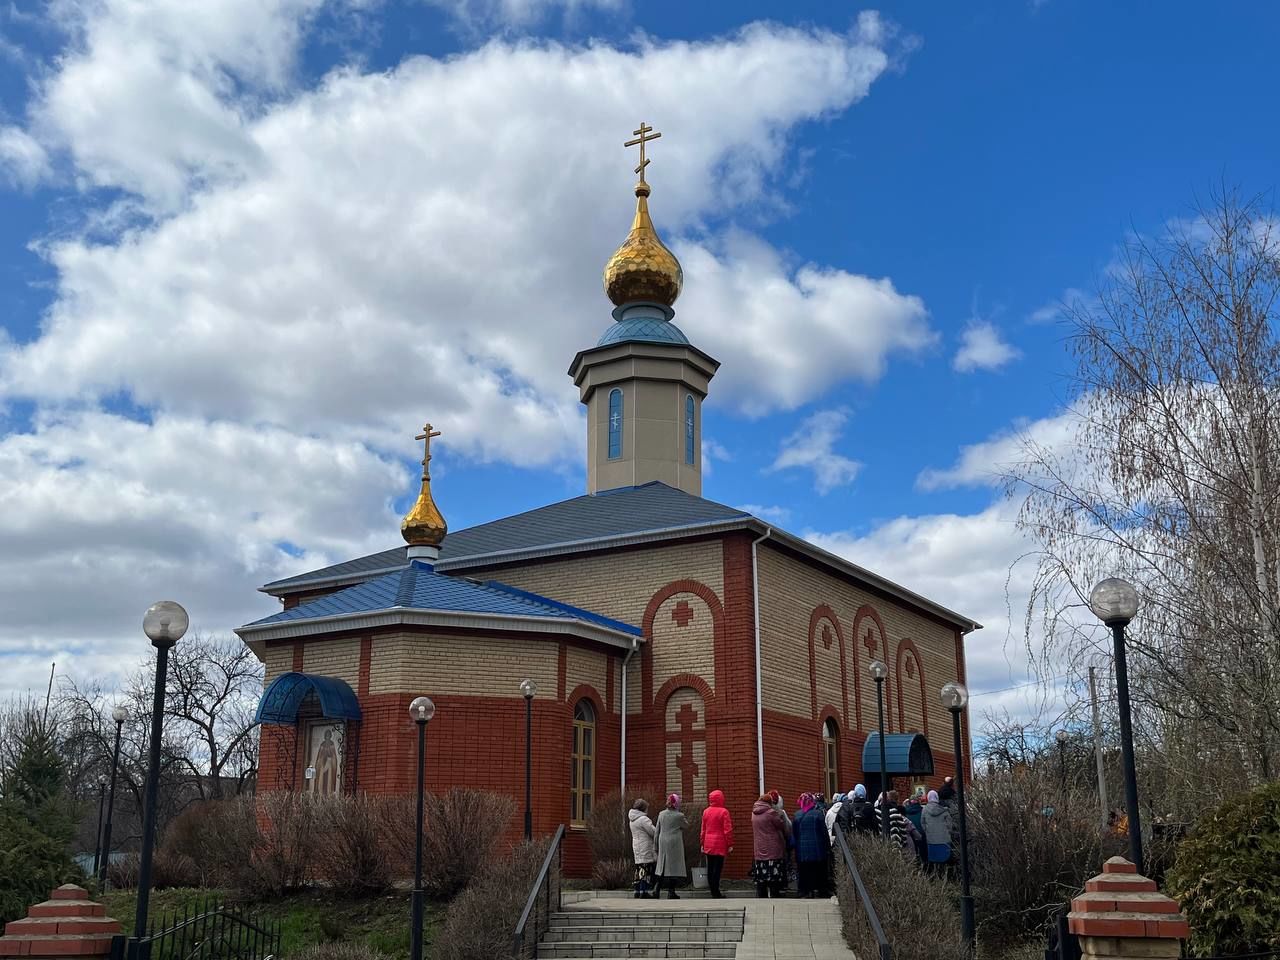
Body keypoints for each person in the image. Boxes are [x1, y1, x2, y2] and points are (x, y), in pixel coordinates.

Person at [792, 793, 831, 899]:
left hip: (801, 851)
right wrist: (828, 847)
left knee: (804, 871)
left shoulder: (797, 815)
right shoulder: (818, 814)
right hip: (817, 849)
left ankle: (804, 891)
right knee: (819, 871)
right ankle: (821, 891)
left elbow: (794, 833)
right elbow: (824, 832)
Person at [751, 793, 790, 898]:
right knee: (774, 872)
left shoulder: (754, 813)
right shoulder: (771, 813)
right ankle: (774, 893)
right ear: (769, 802)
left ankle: (761, 893)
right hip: (773, 847)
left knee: (761, 873)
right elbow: (781, 824)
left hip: (759, 847)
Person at [700, 788, 734, 899]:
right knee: (718, 868)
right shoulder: (724, 812)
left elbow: (703, 829)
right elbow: (727, 830)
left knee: (710, 867)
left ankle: (712, 889)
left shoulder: (706, 811)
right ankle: (716, 891)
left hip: (708, 842)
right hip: (720, 843)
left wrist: (702, 843)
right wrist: (730, 844)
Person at [653, 793, 688, 900]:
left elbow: (657, 830)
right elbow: (686, 825)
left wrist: (655, 845)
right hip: (674, 843)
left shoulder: (661, 814)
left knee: (662, 866)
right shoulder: (679, 816)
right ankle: (671, 892)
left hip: (662, 841)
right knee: (674, 867)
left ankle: (656, 889)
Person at [629, 798, 657, 898]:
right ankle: (643, 891)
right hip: (645, 846)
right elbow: (653, 832)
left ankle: (637, 891)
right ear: (643, 808)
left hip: (636, 846)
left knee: (639, 869)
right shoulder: (644, 820)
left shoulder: (632, 819)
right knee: (646, 870)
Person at [922, 789, 953, 874]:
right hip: (944, 839)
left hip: (931, 840)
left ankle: (936, 877)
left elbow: (923, 823)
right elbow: (950, 825)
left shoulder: (924, 810)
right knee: (945, 861)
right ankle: (945, 876)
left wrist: (928, 832)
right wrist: (947, 832)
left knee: (934, 861)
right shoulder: (944, 810)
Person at [902, 789, 926, 861]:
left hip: (911, 835)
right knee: (923, 853)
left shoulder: (906, 810)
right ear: (917, 801)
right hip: (921, 833)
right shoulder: (922, 810)